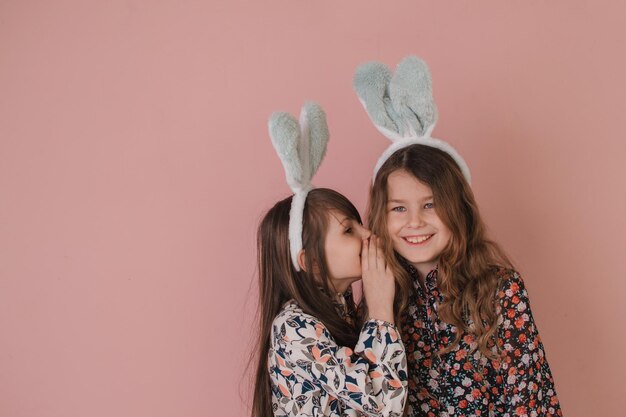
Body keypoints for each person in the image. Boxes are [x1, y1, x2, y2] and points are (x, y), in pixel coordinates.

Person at [354, 57, 562, 417]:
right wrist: (380, 313)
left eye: (430, 205)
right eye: (398, 209)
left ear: (457, 210)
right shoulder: (381, 298)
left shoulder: (499, 290)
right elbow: (371, 403)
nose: (414, 222)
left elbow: (531, 402)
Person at [251, 103, 407, 417]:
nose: (367, 234)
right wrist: (379, 311)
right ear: (312, 262)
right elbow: (382, 405)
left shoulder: (338, 306)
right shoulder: (294, 328)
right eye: (349, 230)